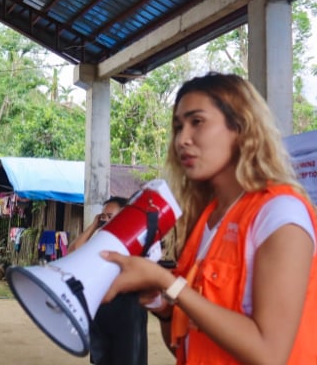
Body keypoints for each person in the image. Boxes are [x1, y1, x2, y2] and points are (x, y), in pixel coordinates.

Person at [100, 72, 317, 364]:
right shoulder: (206, 220)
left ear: (240, 127)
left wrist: (169, 284)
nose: (182, 139)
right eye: (178, 127)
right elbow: (185, 345)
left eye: (197, 122)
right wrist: (164, 309)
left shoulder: (279, 213)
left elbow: (270, 354)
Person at [69, 196, 148, 365]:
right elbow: (74, 252)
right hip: (101, 314)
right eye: (103, 216)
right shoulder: (99, 243)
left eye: (110, 216)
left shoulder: (134, 242)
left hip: (128, 315)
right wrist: (94, 225)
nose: (106, 220)